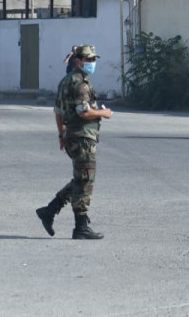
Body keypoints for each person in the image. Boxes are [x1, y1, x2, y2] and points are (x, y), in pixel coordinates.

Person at [36, 44, 113, 240]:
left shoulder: (66, 81)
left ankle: (50, 210)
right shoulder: (80, 84)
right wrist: (104, 113)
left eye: (94, 59)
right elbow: (83, 111)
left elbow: (58, 112)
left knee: (81, 178)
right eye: (89, 60)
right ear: (78, 60)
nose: (92, 63)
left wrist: (61, 134)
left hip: (72, 135)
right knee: (86, 179)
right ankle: (80, 226)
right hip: (82, 136)